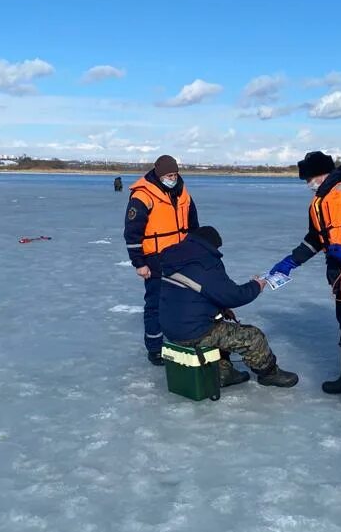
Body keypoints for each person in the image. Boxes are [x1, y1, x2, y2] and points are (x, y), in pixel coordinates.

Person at [269, 151, 341, 405]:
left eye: (309, 178)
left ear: (321, 174)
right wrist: (291, 261)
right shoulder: (318, 203)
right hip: (339, 271)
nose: (307, 184)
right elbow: (315, 239)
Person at [159, 226, 299, 388]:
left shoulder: (176, 258)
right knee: (252, 336)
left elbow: (193, 294)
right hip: (193, 332)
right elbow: (234, 295)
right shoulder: (205, 264)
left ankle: (223, 373)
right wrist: (257, 285)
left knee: (219, 323)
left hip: (171, 329)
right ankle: (269, 374)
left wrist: (221, 309)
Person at [124, 155, 199, 365]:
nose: (172, 178)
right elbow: (132, 233)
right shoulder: (142, 196)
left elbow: (194, 225)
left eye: (175, 174)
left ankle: (183, 339)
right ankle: (155, 348)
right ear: (159, 174)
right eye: (168, 175)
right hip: (155, 259)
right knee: (155, 303)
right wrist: (139, 263)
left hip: (182, 256)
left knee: (185, 301)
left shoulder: (183, 192)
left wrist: (197, 251)